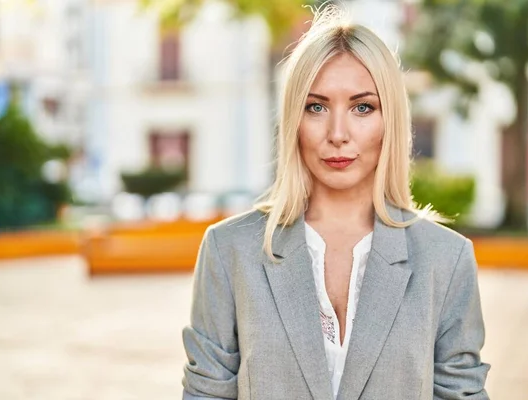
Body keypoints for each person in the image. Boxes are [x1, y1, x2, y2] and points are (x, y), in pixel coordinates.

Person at [181, 6, 490, 400]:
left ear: (389, 120)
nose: (338, 133)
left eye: (363, 107)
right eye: (317, 107)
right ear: (294, 119)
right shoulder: (229, 251)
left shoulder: (446, 260)